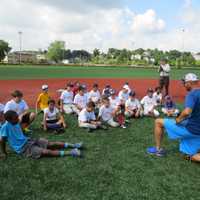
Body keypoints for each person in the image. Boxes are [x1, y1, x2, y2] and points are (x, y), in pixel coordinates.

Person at [147, 73, 200, 162]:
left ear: (189, 83)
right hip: (198, 131)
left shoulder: (192, 94)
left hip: (192, 129)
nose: (184, 85)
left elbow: (187, 112)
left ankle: (158, 149)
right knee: (188, 155)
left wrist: (178, 120)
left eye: (185, 82)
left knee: (158, 122)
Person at [0, 110, 82, 159]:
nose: (18, 119)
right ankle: (71, 152)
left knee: (51, 143)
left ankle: (74, 145)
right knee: (46, 151)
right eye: (16, 118)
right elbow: (2, 141)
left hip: (28, 140)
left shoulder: (16, 122)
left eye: (17, 117)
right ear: (9, 120)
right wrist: (4, 152)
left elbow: (20, 128)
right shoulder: (5, 127)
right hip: (23, 148)